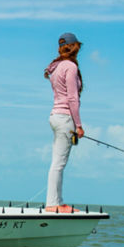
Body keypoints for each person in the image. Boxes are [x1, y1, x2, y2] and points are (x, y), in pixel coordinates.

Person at [43, 32, 84, 213]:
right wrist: (79, 126)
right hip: (65, 117)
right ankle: (54, 204)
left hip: (55, 116)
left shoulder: (56, 66)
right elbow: (73, 99)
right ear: (75, 47)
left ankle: (57, 202)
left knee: (57, 161)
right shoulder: (70, 67)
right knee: (59, 163)